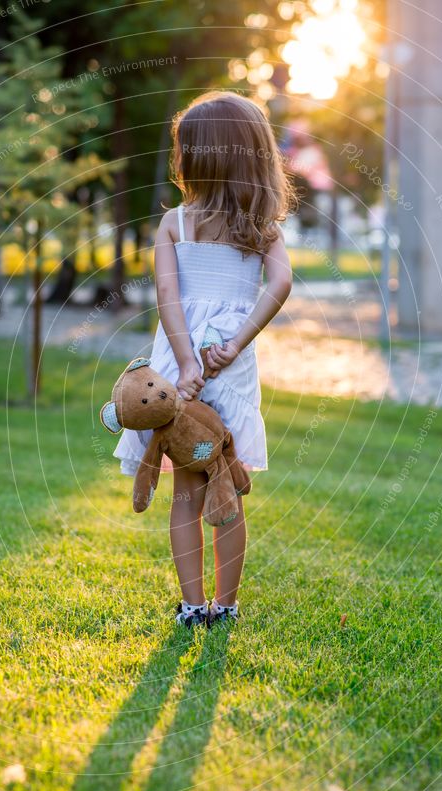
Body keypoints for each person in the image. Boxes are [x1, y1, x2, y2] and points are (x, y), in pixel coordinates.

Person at [115, 91, 293, 627]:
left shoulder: (176, 223)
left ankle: (193, 606)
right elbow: (281, 283)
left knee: (186, 490)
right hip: (230, 366)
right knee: (225, 478)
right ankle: (228, 606)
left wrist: (187, 363)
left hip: (179, 365)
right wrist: (235, 342)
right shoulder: (261, 226)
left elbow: (169, 299)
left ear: (198, 156)